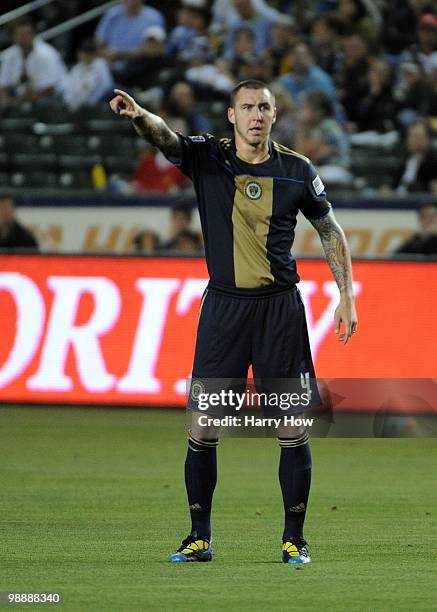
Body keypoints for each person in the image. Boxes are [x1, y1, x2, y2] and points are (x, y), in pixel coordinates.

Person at [109, 79, 357, 565]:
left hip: (279, 311)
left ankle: (294, 539)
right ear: (232, 115)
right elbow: (166, 138)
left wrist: (346, 295)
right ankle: (199, 537)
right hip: (224, 309)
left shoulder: (297, 171)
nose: (257, 116)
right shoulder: (209, 157)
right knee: (204, 426)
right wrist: (140, 115)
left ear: (274, 114)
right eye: (248, 107)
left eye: (265, 107)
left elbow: (330, 229)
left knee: (290, 427)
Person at [0, 19, 67, 110]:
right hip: (22, 98)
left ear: (33, 34)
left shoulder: (46, 54)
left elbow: (50, 89)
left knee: (42, 103)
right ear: (13, 36)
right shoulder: (10, 55)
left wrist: (20, 101)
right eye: (19, 34)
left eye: (26, 34)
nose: (22, 38)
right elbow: (3, 85)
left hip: (55, 99)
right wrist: (7, 100)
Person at [63, 39, 113, 111]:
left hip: (96, 103)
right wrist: (70, 101)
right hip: (77, 104)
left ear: (93, 54)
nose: (85, 56)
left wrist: (91, 102)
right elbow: (69, 87)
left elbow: (106, 85)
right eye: (83, 53)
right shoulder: (76, 69)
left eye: (88, 54)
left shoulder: (101, 65)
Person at [392, 120, 437, 194]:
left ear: (428, 139)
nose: (413, 140)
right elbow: (393, 186)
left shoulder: (434, 162)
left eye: (417, 136)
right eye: (410, 136)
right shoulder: (404, 161)